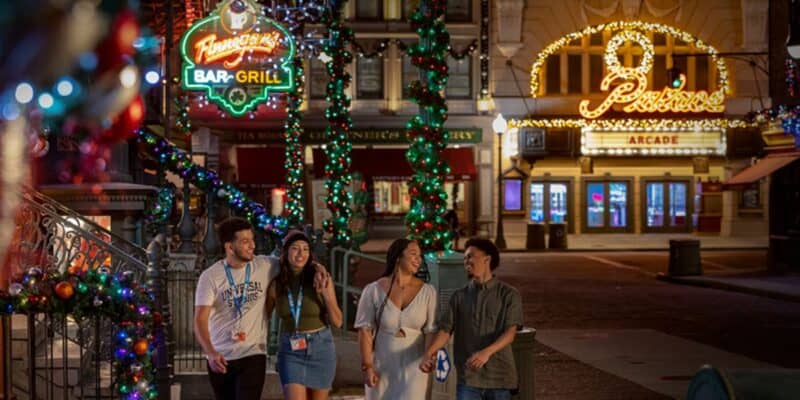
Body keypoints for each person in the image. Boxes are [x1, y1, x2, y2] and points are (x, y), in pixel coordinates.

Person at [194, 218, 329, 400]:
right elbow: (200, 319)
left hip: (253, 352)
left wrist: (317, 267)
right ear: (229, 247)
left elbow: (295, 260)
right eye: (245, 241)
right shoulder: (210, 277)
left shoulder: (265, 265)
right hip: (221, 355)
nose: (252, 246)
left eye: (252, 239)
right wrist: (211, 352)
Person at [419, 238, 523, 400]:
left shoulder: (509, 294)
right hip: (468, 379)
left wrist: (486, 353)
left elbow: (510, 333)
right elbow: (446, 330)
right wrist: (429, 353)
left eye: (470, 256)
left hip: (500, 378)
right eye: (465, 257)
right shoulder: (459, 296)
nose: (466, 261)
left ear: (487, 259)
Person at [354, 238, 438, 399]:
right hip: (382, 363)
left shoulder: (428, 292)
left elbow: (430, 330)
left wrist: (428, 357)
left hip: (414, 365)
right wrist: (367, 367)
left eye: (420, 256)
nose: (418, 259)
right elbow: (364, 331)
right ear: (398, 257)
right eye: (413, 254)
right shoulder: (373, 290)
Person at [265, 230, 343, 400]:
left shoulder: (320, 278)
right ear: (285, 252)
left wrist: (325, 295)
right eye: (295, 248)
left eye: (305, 249)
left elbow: (337, 321)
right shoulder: (275, 284)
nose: (301, 254)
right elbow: (264, 317)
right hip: (291, 351)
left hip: (321, 347)